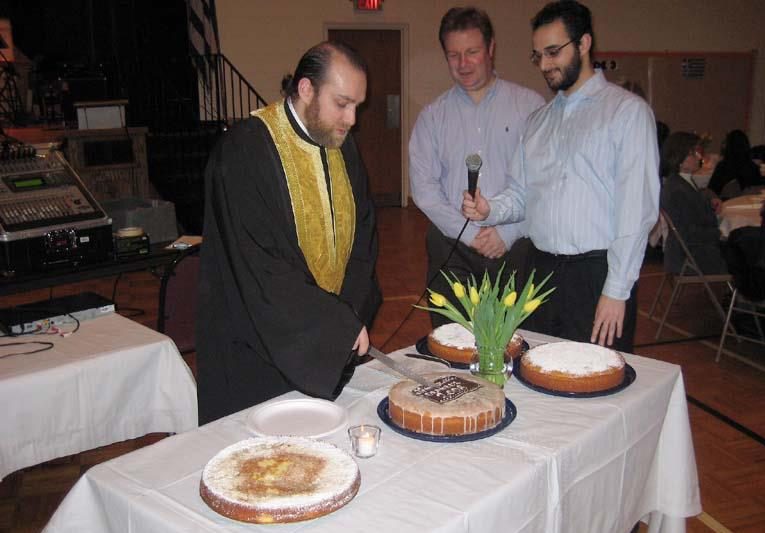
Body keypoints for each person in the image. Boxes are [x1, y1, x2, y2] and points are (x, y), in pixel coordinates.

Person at [196, 41, 382, 424]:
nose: (351, 119)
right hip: (260, 347)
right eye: (342, 104)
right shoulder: (245, 150)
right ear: (306, 89)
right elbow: (258, 264)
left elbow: (363, 237)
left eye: (357, 107)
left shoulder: (341, 145)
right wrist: (333, 326)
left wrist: (349, 312)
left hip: (325, 339)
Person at [462, 0, 660, 353]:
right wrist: (489, 208)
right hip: (540, 272)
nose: (544, 65)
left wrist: (617, 291)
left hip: (596, 274)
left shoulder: (627, 113)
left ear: (584, 43)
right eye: (538, 56)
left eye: (553, 52)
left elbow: (636, 212)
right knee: (536, 368)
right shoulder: (537, 122)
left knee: (594, 374)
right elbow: (522, 195)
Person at [409, 6, 545, 328]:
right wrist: (471, 235)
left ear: (491, 48)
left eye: (472, 52)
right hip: (453, 246)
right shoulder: (432, 117)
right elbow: (425, 191)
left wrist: (507, 233)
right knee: (451, 341)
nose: (463, 64)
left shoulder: (530, 107)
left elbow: (543, 184)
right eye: (453, 55)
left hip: (516, 244)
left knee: (515, 342)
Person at [659, 132, 728, 275]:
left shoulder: (680, 182)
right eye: (693, 153)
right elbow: (688, 232)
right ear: (679, 158)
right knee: (745, 251)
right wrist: (719, 233)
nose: (699, 157)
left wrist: (709, 200)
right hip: (691, 256)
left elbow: (694, 203)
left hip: (692, 251)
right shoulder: (677, 190)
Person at [707, 129, 765, 197]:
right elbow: (757, 190)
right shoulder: (753, 167)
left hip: (726, 201)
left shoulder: (722, 167)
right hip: (748, 201)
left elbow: (711, 191)